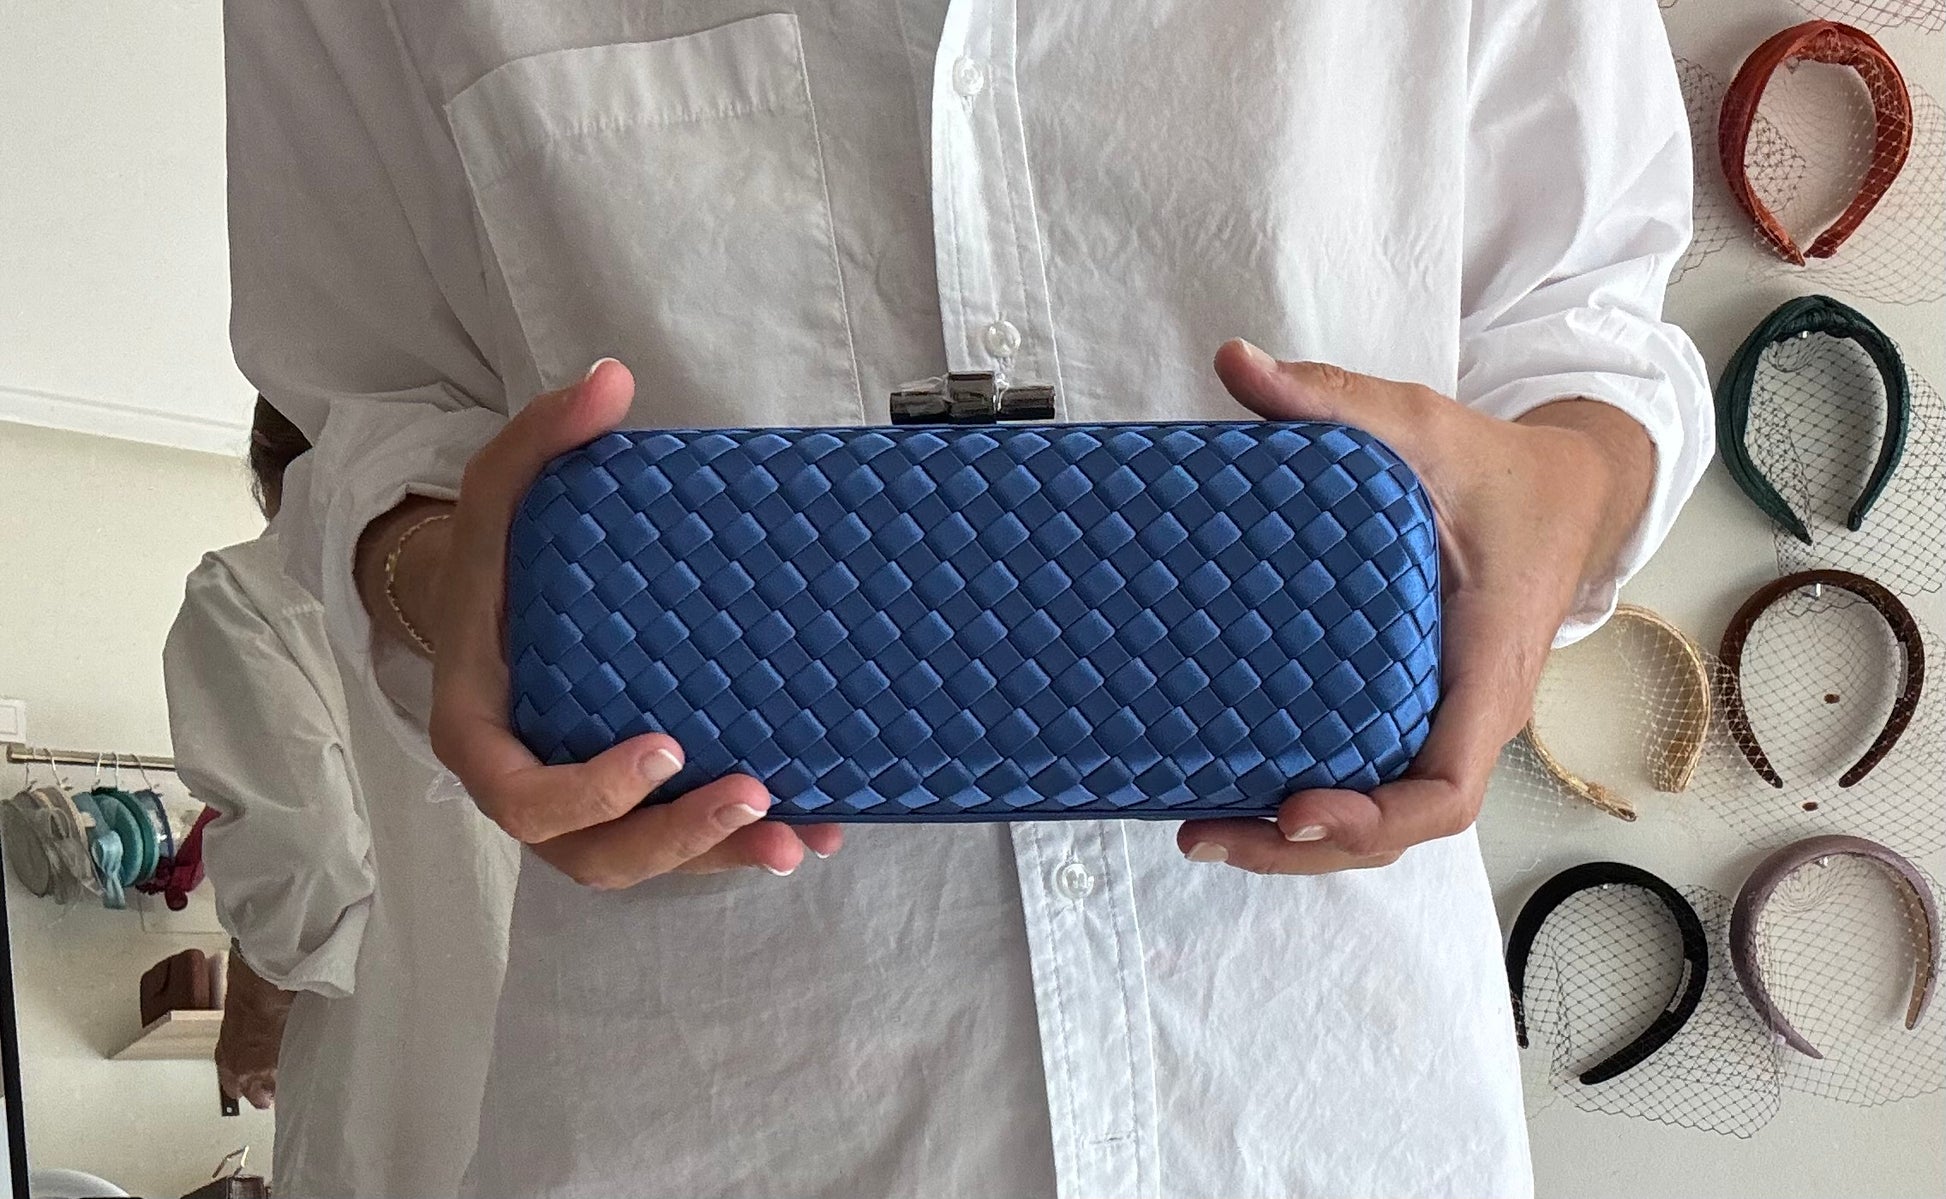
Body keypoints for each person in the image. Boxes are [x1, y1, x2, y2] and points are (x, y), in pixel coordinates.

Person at [224, 3, 1712, 1195]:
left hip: (1331, 1104)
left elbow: (1585, 320)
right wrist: (452, 590)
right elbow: (359, 415)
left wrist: (1559, 488)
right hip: (716, 1105)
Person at [163, 398, 520, 1197]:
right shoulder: (547, 568)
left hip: (394, 1112)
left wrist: (253, 1012)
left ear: (268, 474)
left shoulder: (250, 591)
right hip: (588, 1097)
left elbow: (308, 857)